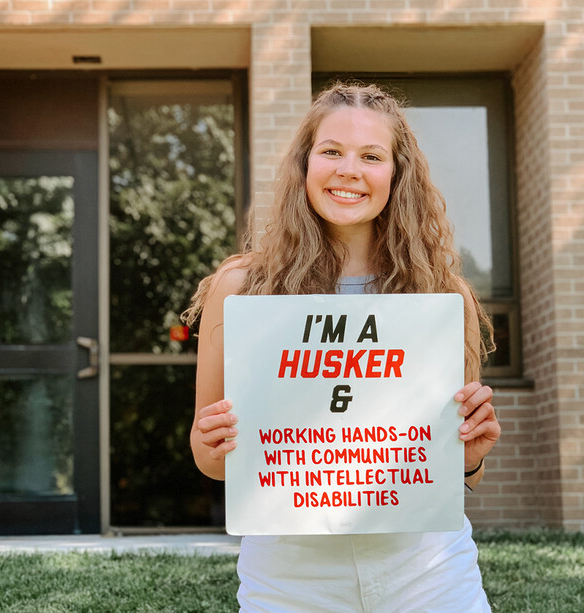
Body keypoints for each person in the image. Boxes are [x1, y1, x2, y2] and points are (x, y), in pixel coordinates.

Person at [182, 82, 502, 612]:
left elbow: (459, 469)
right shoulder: (242, 288)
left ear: (397, 175)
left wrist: (467, 458)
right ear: (305, 164)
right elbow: (211, 459)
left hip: (428, 575)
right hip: (290, 580)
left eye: (371, 156)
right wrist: (210, 443)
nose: (349, 169)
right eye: (331, 151)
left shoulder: (441, 296)